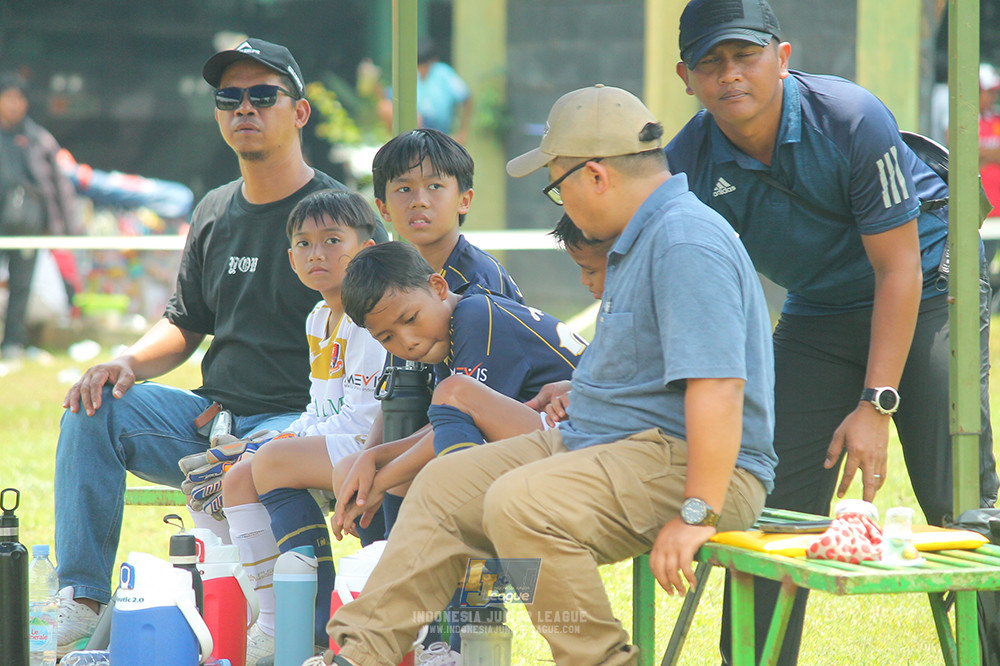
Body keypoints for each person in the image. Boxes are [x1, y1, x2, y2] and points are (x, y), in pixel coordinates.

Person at [319, 84, 776, 666]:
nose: (561, 205)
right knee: (446, 483)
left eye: (557, 185)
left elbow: (718, 388)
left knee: (520, 501)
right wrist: (585, 390)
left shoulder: (683, 239)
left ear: (595, 176)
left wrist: (697, 513)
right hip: (610, 446)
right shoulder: (640, 239)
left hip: (694, 464)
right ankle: (358, 656)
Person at [664, 1, 999, 663]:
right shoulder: (685, 163)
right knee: (769, 503)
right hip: (818, 311)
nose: (730, 74)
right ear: (686, 76)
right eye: (711, 62)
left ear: (781, 58)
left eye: (745, 55)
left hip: (931, 288)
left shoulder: (850, 117)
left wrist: (876, 404)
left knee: (960, 506)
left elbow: (898, 266)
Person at [52, 38, 386, 657]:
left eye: (263, 96)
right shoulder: (211, 210)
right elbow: (186, 321)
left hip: (305, 424)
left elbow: (389, 321)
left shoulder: (340, 217)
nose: (245, 109)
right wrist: (124, 362)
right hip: (211, 419)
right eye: (229, 98)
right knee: (92, 403)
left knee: (252, 461)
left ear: (300, 112)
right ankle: (82, 599)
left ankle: (285, 630)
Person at [183, 189, 384, 663]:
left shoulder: (369, 315)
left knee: (266, 461)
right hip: (336, 439)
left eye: (333, 240)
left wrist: (275, 449)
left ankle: (314, 621)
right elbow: (318, 406)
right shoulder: (318, 317)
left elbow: (363, 418)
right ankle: (271, 621)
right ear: (291, 259)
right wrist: (277, 439)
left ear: (367, 250)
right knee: (232, 477)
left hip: (374, 444)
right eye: (305, 244)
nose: (318, 253)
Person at [330, 240, 587, 539]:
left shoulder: (476, 315)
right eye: (387, 337)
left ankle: (402, 563)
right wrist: (373, 456)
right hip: (545, 439)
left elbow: (456, 416)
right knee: (352, 468)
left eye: (411, 319)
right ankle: (378, 567)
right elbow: (449, 422)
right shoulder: (446, 331)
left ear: (439, 287)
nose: (407, 341)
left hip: (587, 441)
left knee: (406, 473)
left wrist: (381, 477)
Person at [363, 127, 524, 533]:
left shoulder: (475, 280)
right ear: (382, 208)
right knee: (373, 499)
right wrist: (371, 455)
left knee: (406, 489)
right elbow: (395, 387)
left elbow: (472, 408)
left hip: (509, 429)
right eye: (403, 189)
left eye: (435, 186)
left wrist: (385, 471)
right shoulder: (399, 285)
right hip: (435, 426)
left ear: (464, 200)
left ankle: (479, 595)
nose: (419, 200)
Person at [0, 72, 80, 359]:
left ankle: (12, 344)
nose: (13, 104)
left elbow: (60, 188)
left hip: (27, 227)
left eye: (18, 99)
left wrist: (68, 230)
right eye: (7, 98)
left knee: (21, 288)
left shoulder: (38, 139)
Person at [375, 39, 473, 144]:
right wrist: (374, 84)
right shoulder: (413, 74)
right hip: (415, 124)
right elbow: (389, 96)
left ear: (432, 61)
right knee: (385, 107)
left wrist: (463, 131)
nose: (421, 68)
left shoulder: (443, 73)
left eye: (423, 64)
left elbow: (466, 97)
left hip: (437, 128)